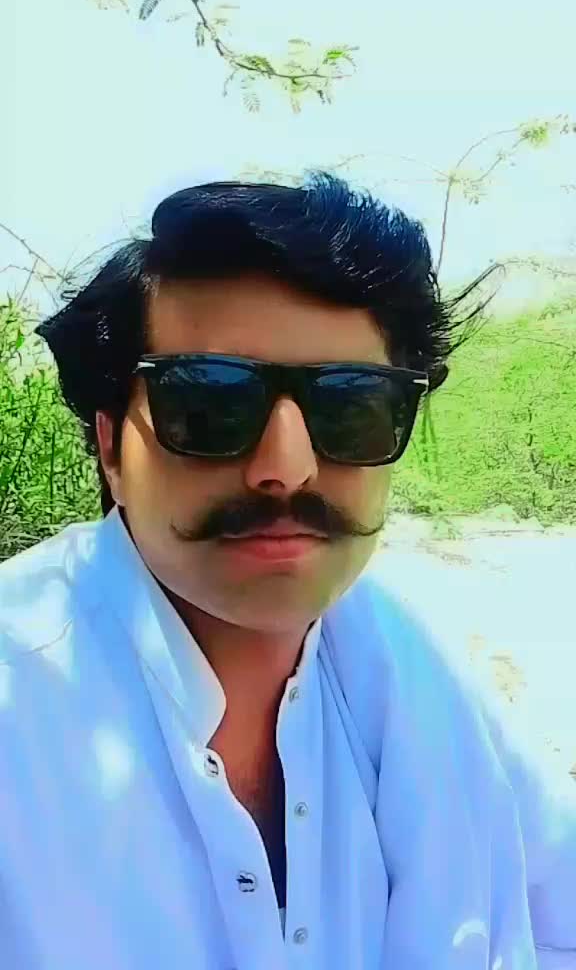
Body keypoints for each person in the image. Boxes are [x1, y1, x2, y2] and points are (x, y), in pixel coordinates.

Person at [0, 174, 574, 970]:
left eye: (351, 406)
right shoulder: (19, 699)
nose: (287, 467)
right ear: (110, 447)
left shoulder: (419, 685)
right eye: (208, 403)